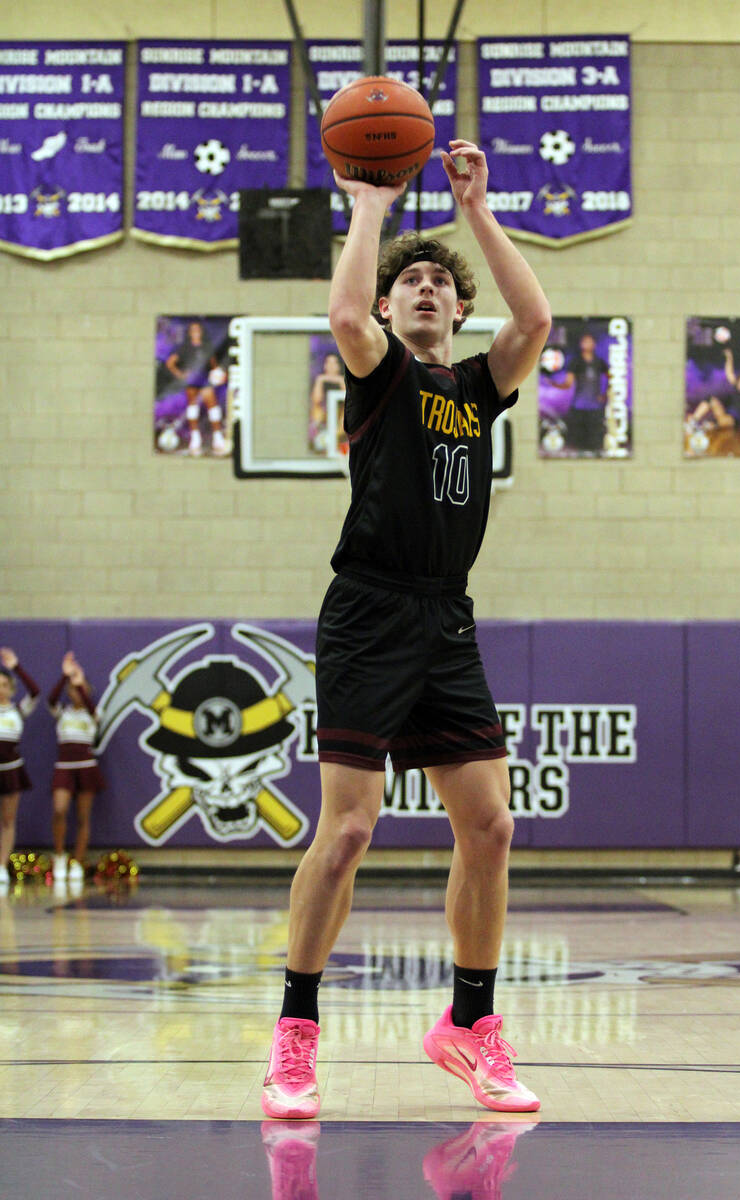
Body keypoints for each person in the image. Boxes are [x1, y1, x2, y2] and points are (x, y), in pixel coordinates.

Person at [261, 139, 551, 1120]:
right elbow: (344, 314)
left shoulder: (477, 387)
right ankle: (296, 1033)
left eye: (440, 284)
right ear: (390, 309)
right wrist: (369, 204)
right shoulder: (380, 374)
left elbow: (536, 320)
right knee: (348, 831)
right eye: (409, 283)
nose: (425, 288)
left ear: (459, 309)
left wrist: (476, 213)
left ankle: (469, 1024)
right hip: (368, 610)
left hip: (443, 616)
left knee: (491, 825)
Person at [48, 652, 105, 885]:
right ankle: (60, 855)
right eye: (72, 690)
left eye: (80, 689)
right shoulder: (62, 712)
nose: (76, 693)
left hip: (86, 767)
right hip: (64, 767)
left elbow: (92, 710)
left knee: (83, 816)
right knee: (59, 810)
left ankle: (78, 862)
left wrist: (80, 682)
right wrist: (65, 676)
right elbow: (51, 699)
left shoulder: (94, 713)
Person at [0, 648, 39, 890]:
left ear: (10, 688)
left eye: (4, 685)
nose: (0, 689)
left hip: (11, 769)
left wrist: (16, 667)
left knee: (8, 819)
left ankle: (1, 866)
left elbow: (35, 692)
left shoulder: (17, 710)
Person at [164, 319, 230, 458]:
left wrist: (218, 374)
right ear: (189, 332)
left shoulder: (207, 346)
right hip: (192, 380)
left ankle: (217, 438)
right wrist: (180, 374)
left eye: (198, 329)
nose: (196, 332)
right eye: (193, 330)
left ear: (201, 332)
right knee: (193, 408)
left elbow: (214, 364)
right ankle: (195, 439)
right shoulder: (185, 347)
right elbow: (170, 363)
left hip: (205, 379)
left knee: (213, 407)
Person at [548, 332, 609, 455]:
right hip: (579, 405)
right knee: (579, 439)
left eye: (589, 341)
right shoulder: (576, 362)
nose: (587, 344)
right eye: (584, 341)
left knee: (595, 439)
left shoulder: (600, 362)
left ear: (594, 344)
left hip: (595, 406)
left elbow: (610, 378)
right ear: (581, 344)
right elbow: (568, 383)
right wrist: (554, 384)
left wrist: (605, 395)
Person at [308, 351, 347, 454]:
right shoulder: (320, 380)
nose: (331, 366)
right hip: (324, 419)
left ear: (339, 366)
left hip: (340, 419)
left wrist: (340, 380)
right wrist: (320, 380)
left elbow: (348, 398)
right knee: (316, 410)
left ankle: (333, 438)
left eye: (334, 363)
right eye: (328, 363)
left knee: (346, 412)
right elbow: (316, 400)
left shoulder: (344, 380)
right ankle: (325, 439)